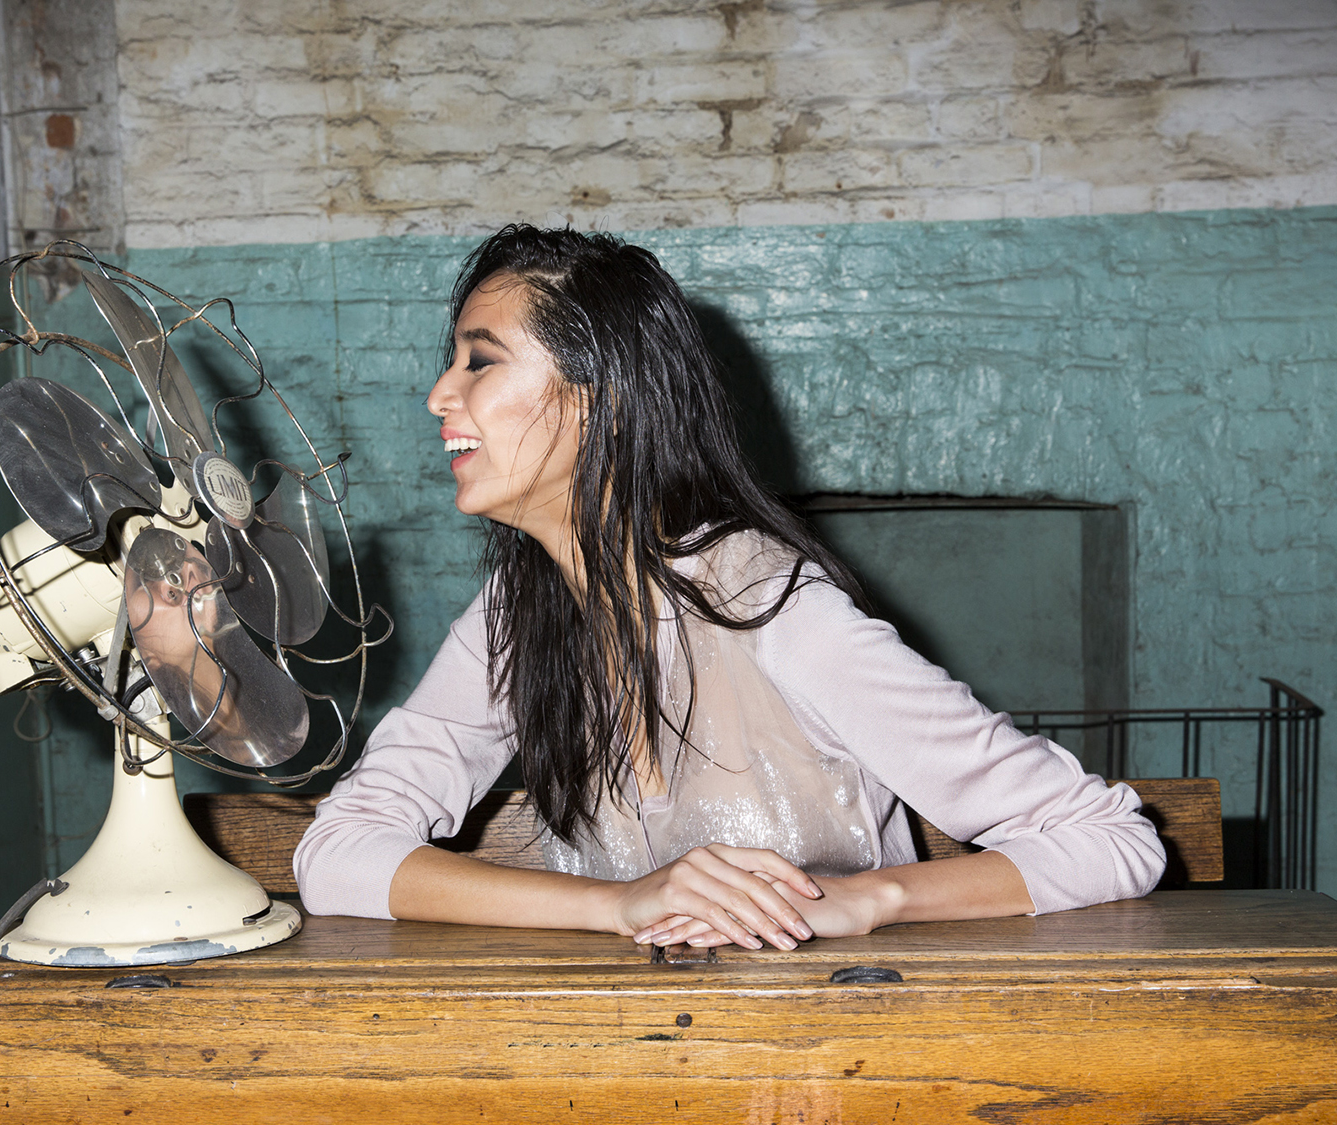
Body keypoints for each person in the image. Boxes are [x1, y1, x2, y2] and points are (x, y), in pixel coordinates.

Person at [294, 226, 1165, 951]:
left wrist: (868, 899)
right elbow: (335, 854)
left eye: (480, 362)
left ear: (600, 400)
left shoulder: (770, 606)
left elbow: (1110, 838)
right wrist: (618, 904)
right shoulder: (513, 618)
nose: (439, 394)